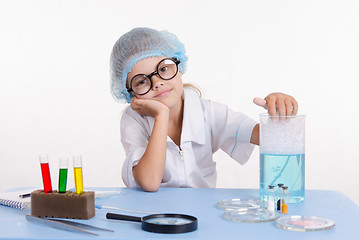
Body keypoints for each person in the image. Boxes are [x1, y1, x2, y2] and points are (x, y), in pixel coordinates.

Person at [110, 27, 298, 192]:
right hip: (154, 216)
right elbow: (149, 182)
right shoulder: (133, 120)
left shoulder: (207, 112)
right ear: (130, 94)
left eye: (164, 69)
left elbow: (272, 139)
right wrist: (161, 115)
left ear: (179, 67)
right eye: (142, 81)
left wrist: (278, 111)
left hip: (201, 215)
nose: (157, 82)